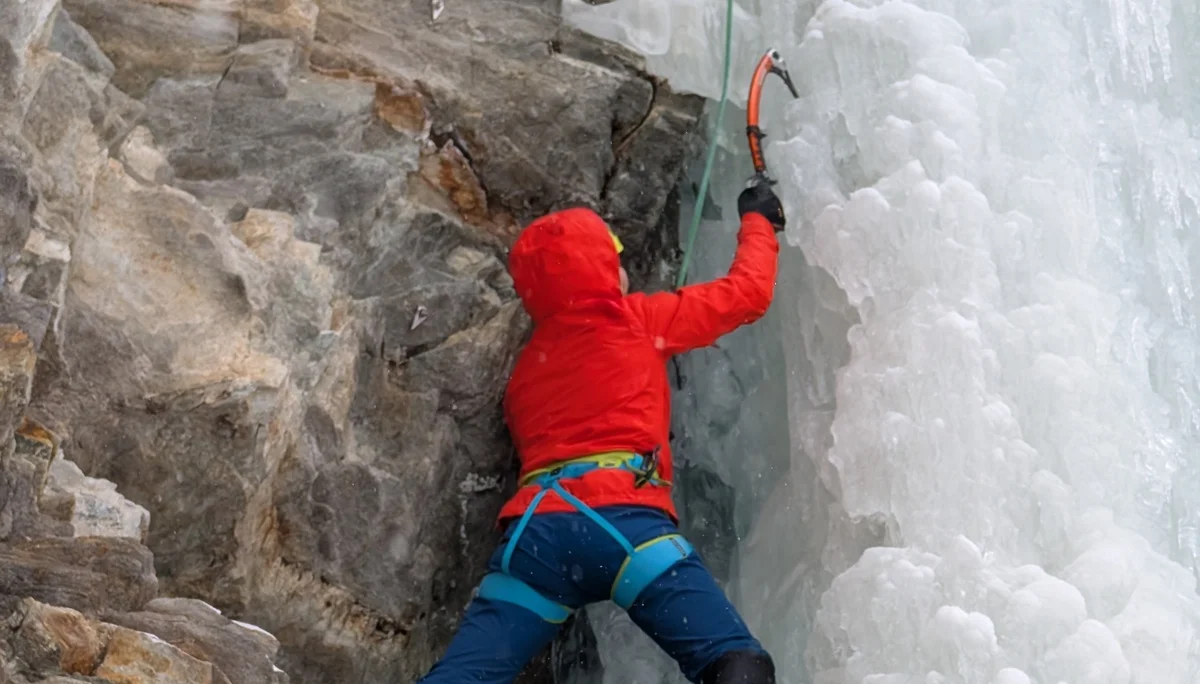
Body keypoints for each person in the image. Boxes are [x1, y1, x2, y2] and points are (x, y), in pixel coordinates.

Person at [417, 179, 787, 684]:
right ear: (603, 267)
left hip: (536, 540)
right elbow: (747, 294)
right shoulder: (635, 319)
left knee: (462, 678)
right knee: (735, 662)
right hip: (625, 527)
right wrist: (759, 220)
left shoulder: (524, 373)